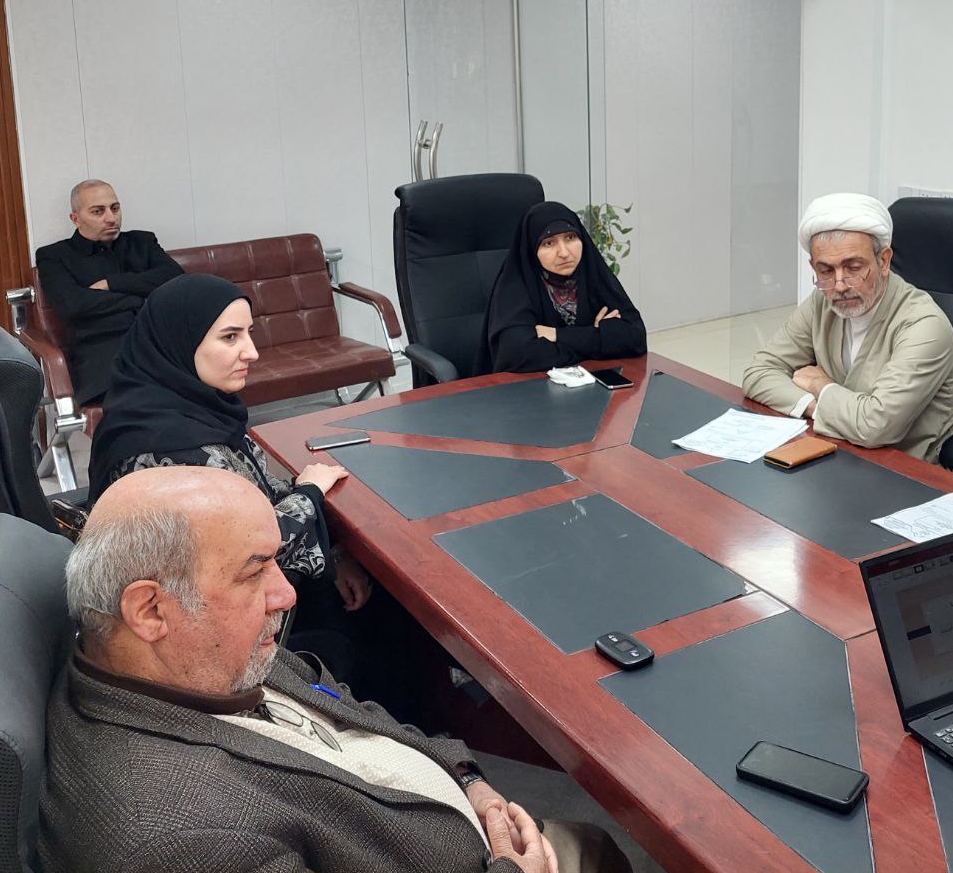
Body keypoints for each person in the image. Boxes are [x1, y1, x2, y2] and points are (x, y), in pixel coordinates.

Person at [41, 466, 630, 873]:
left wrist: (465, 775)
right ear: (150, 610)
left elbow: (341, 702)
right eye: (254, 571)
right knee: (597, 850)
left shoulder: (198, 659)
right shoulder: (178, 837)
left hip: (461, 814)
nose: (286, 594)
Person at [87, 273, 411, 718]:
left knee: (383, 596)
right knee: (394, 614)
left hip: (249, 593)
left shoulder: (185, 411)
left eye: (249, 333)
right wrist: (311, 492)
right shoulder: (170, 451)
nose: (252, 352)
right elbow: (252, 548)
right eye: (230, 337)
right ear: (179, 343)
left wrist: (334, 554)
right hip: (219, 633)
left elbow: (255, 494)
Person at [741, 193, 953, 461]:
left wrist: (821, 385)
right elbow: (758, 373)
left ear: (883, 261)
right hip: (833, 451)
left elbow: (875, 425)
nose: (839, 285)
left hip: (903, 470)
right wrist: (813, 404)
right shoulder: (822, 303)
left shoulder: (925, 326)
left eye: (854, 268)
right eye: (825, 271)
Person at [35, 178, 182, 403]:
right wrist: (140, 298)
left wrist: (110, 284)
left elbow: (175, 278)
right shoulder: (55, 256)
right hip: (104, 354)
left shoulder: (142, 241)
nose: (111, 218)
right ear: (75, 218)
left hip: (159, 342)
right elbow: (72, 305)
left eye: (115, 208)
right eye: (98, 211)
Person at [481, 200, 646, 374]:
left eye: (570, 238)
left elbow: (636, 338)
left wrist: (558, 335)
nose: (564, 253)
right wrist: (599, 338)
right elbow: (517, 355)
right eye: (549, 243)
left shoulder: (592, 274)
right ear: (532, 249)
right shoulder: (517, 285)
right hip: (529, 387)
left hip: (589, 383)